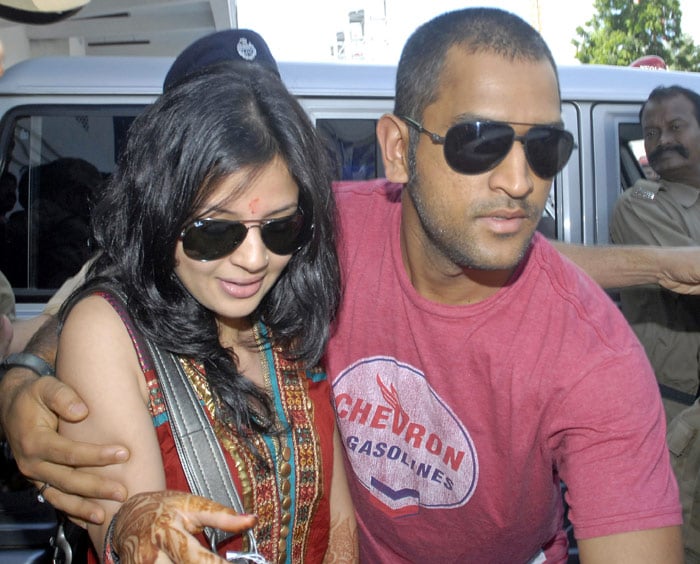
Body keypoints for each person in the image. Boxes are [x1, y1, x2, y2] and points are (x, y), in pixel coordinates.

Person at [0, 12, 689, 563]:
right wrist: (23, 374)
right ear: (396, 148)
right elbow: (122, 283)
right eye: (479, 143)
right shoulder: (323, 237)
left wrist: (652, 266)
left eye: (544, 149)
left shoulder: (594, 360)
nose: (518, 181)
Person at [49, 60, 356, 562]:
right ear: (160, 213)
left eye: (280, 228)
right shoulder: (106, 333)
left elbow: (339, 519)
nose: (256, 260)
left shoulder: (289, 311)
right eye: (216, 232)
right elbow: (131, 536)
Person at [610, 85, 700, 422]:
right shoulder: (641, 201)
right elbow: (689, 271)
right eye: (651, 132)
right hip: (677, 406)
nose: (662, 140)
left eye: (675, 127)